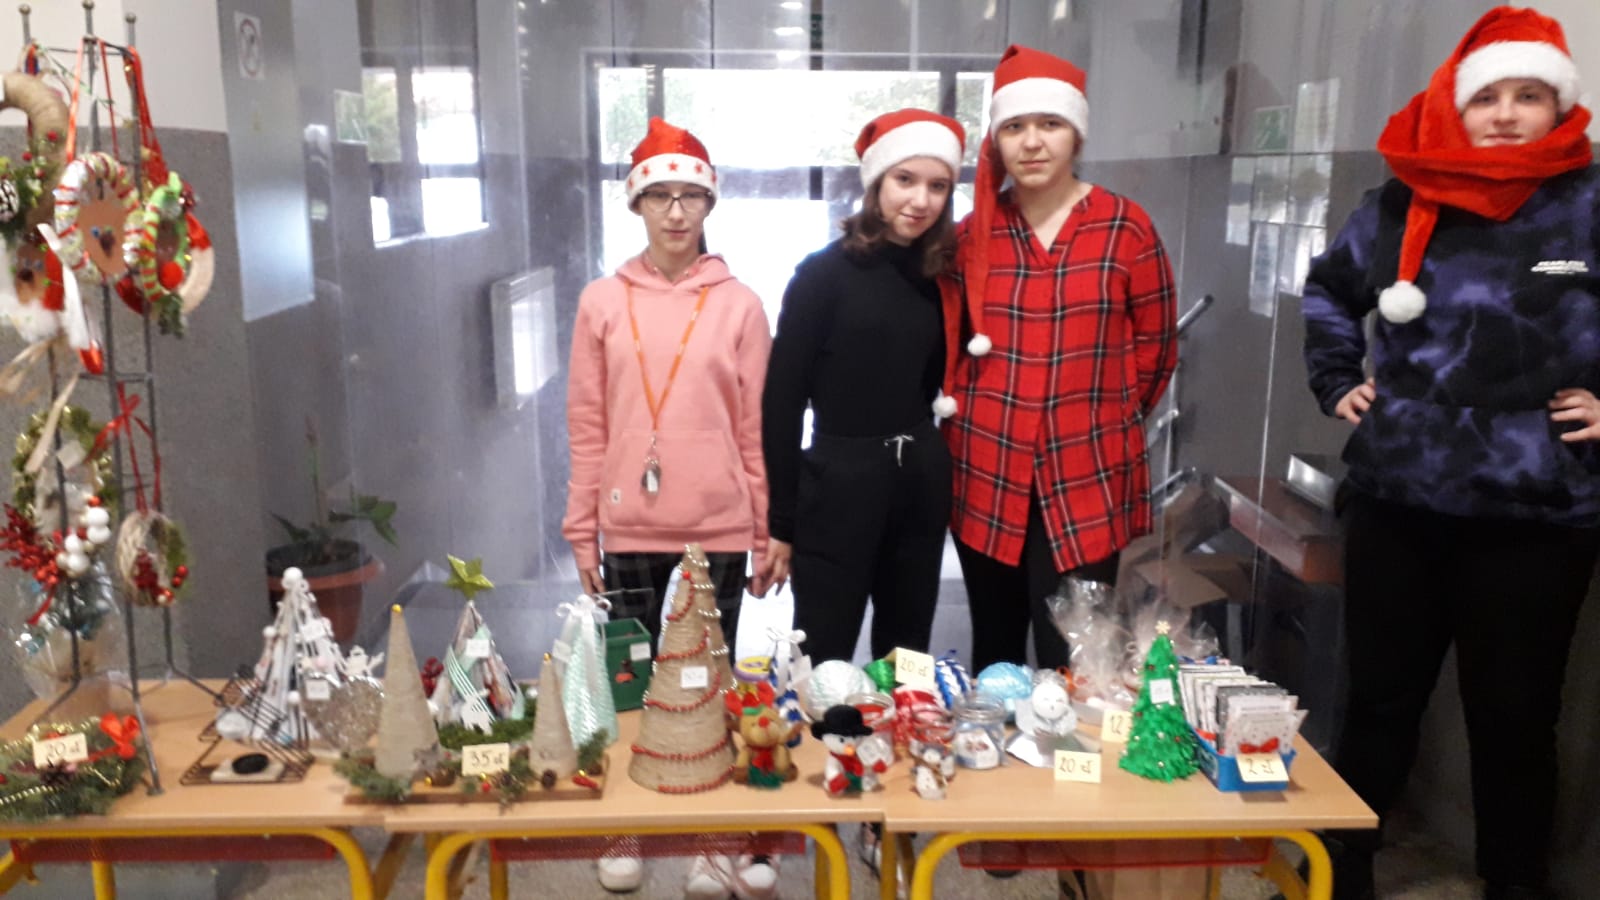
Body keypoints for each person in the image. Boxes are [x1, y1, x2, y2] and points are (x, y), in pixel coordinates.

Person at [1301, 9, 1599, 899]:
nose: (1505, 114)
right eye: (1487, 98)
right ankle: (1340, 872)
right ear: (1457, 107)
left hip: (1537, 510)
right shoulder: (1399, 201)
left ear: (1559, 107)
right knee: (1378, 704)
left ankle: (1515, 883)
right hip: (1399, 496)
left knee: (1516, 719)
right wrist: (1336, 377)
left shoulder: (1587, 203)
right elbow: (1328, 291)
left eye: (1528, 96)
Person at [562, 117, 775, 898]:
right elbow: (587, 426)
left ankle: (714, 835)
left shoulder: (740, 304)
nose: (676, 212)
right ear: (636, 204)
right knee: (633, 683)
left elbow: (755, 429)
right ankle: (625, 821)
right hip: (628, 526)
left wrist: (764, 529)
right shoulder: (601, 301)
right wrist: (580, 529)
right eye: (660, 196)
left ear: (709, 203)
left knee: (706, 685)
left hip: (715, 527)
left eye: (691, 196)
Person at [941, 45, 1178, 674]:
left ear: (1076, 132)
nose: (1032, 142)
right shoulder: (973, 236)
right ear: (997, 141)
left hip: (1086, 473)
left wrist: (1103, 416)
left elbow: (1156, 350)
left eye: (1050, 124)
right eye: (1014, 127)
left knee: (1076, 657)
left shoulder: (1126, 228)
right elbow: (947, 345)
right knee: (995, 655)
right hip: (988, 469)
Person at [762, 108, 966, 664]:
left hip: (919, 482)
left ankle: (907, 726)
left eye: (938, 186)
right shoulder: (821, 276)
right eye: (905, 179)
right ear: (877, 182)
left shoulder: (941, 277)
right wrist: (781, 521)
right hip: (837, 487)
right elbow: (781, 404)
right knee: (821, 656)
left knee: (907, 658)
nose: (920, 200)